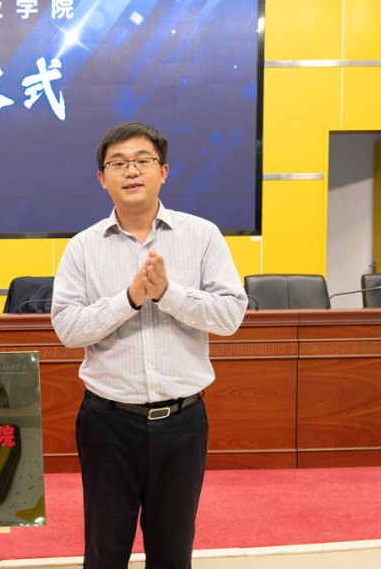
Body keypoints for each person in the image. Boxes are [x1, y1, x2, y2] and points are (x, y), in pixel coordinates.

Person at [51, 122, 247, 569]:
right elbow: (68, 328)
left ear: (164, 171)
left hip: (183, 422)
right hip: (108, 423)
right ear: (102, 178)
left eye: (143, 161)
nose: (131, 171)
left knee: (172, 553)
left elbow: (230, 316)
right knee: (105, 552)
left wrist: (168, 294)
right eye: (118, 163)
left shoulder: (202, 236)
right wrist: (129, 299)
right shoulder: (82, 248)